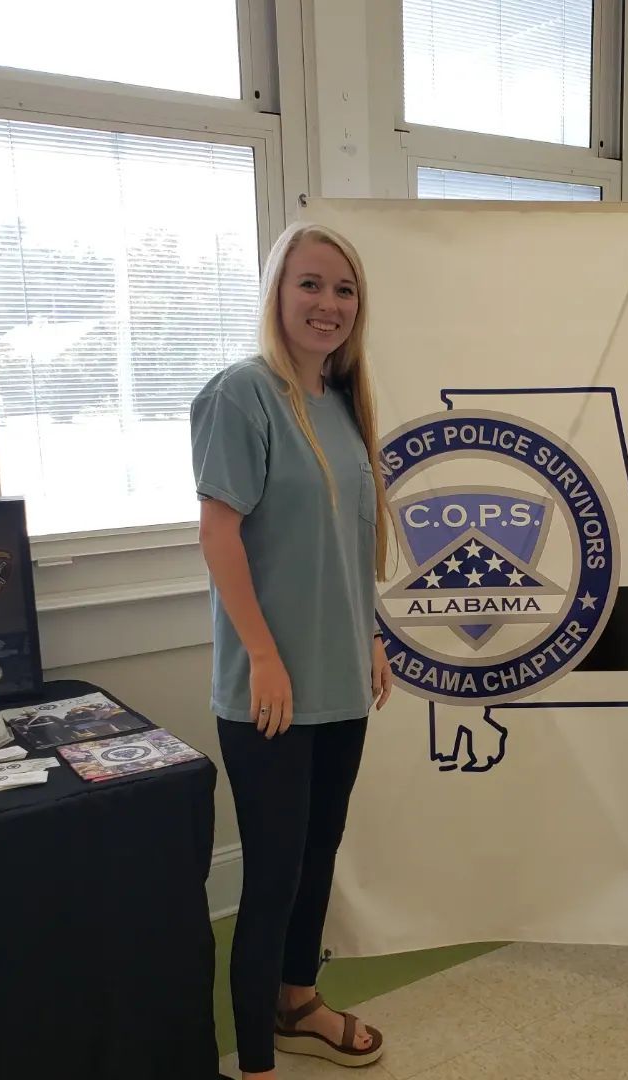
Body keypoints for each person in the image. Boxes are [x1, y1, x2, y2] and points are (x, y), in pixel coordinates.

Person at [191, 221, 394, 1079]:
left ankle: (298, 1001)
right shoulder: (243, 394)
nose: (328, 304)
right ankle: (256, 1063)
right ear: (277, 291)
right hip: (269, 690)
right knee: (272, 874)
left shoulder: (344, 404)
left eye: (344, 290)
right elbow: (219, 535)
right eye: (310, 284)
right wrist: (265, 657)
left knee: (317, 857)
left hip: (342, 680)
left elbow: (346, 544)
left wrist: (371, 636)